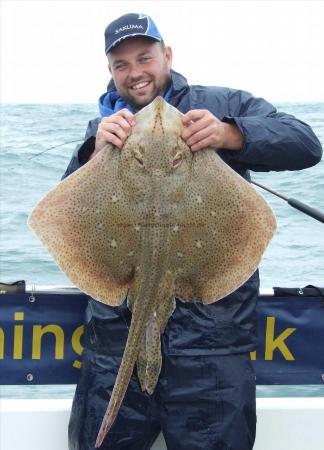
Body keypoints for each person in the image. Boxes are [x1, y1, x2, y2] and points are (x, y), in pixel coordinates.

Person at [63, 13, 322, 450]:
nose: (135, 73)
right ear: (110, 73)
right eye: (121, 65)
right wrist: (93, 153)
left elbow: (305, 144)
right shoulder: (105, 128)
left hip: (211, 351)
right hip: (114, 344)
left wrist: (230, 134)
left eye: (144, 58)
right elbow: (67, 214)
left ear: (167, 56)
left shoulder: (223, 104)